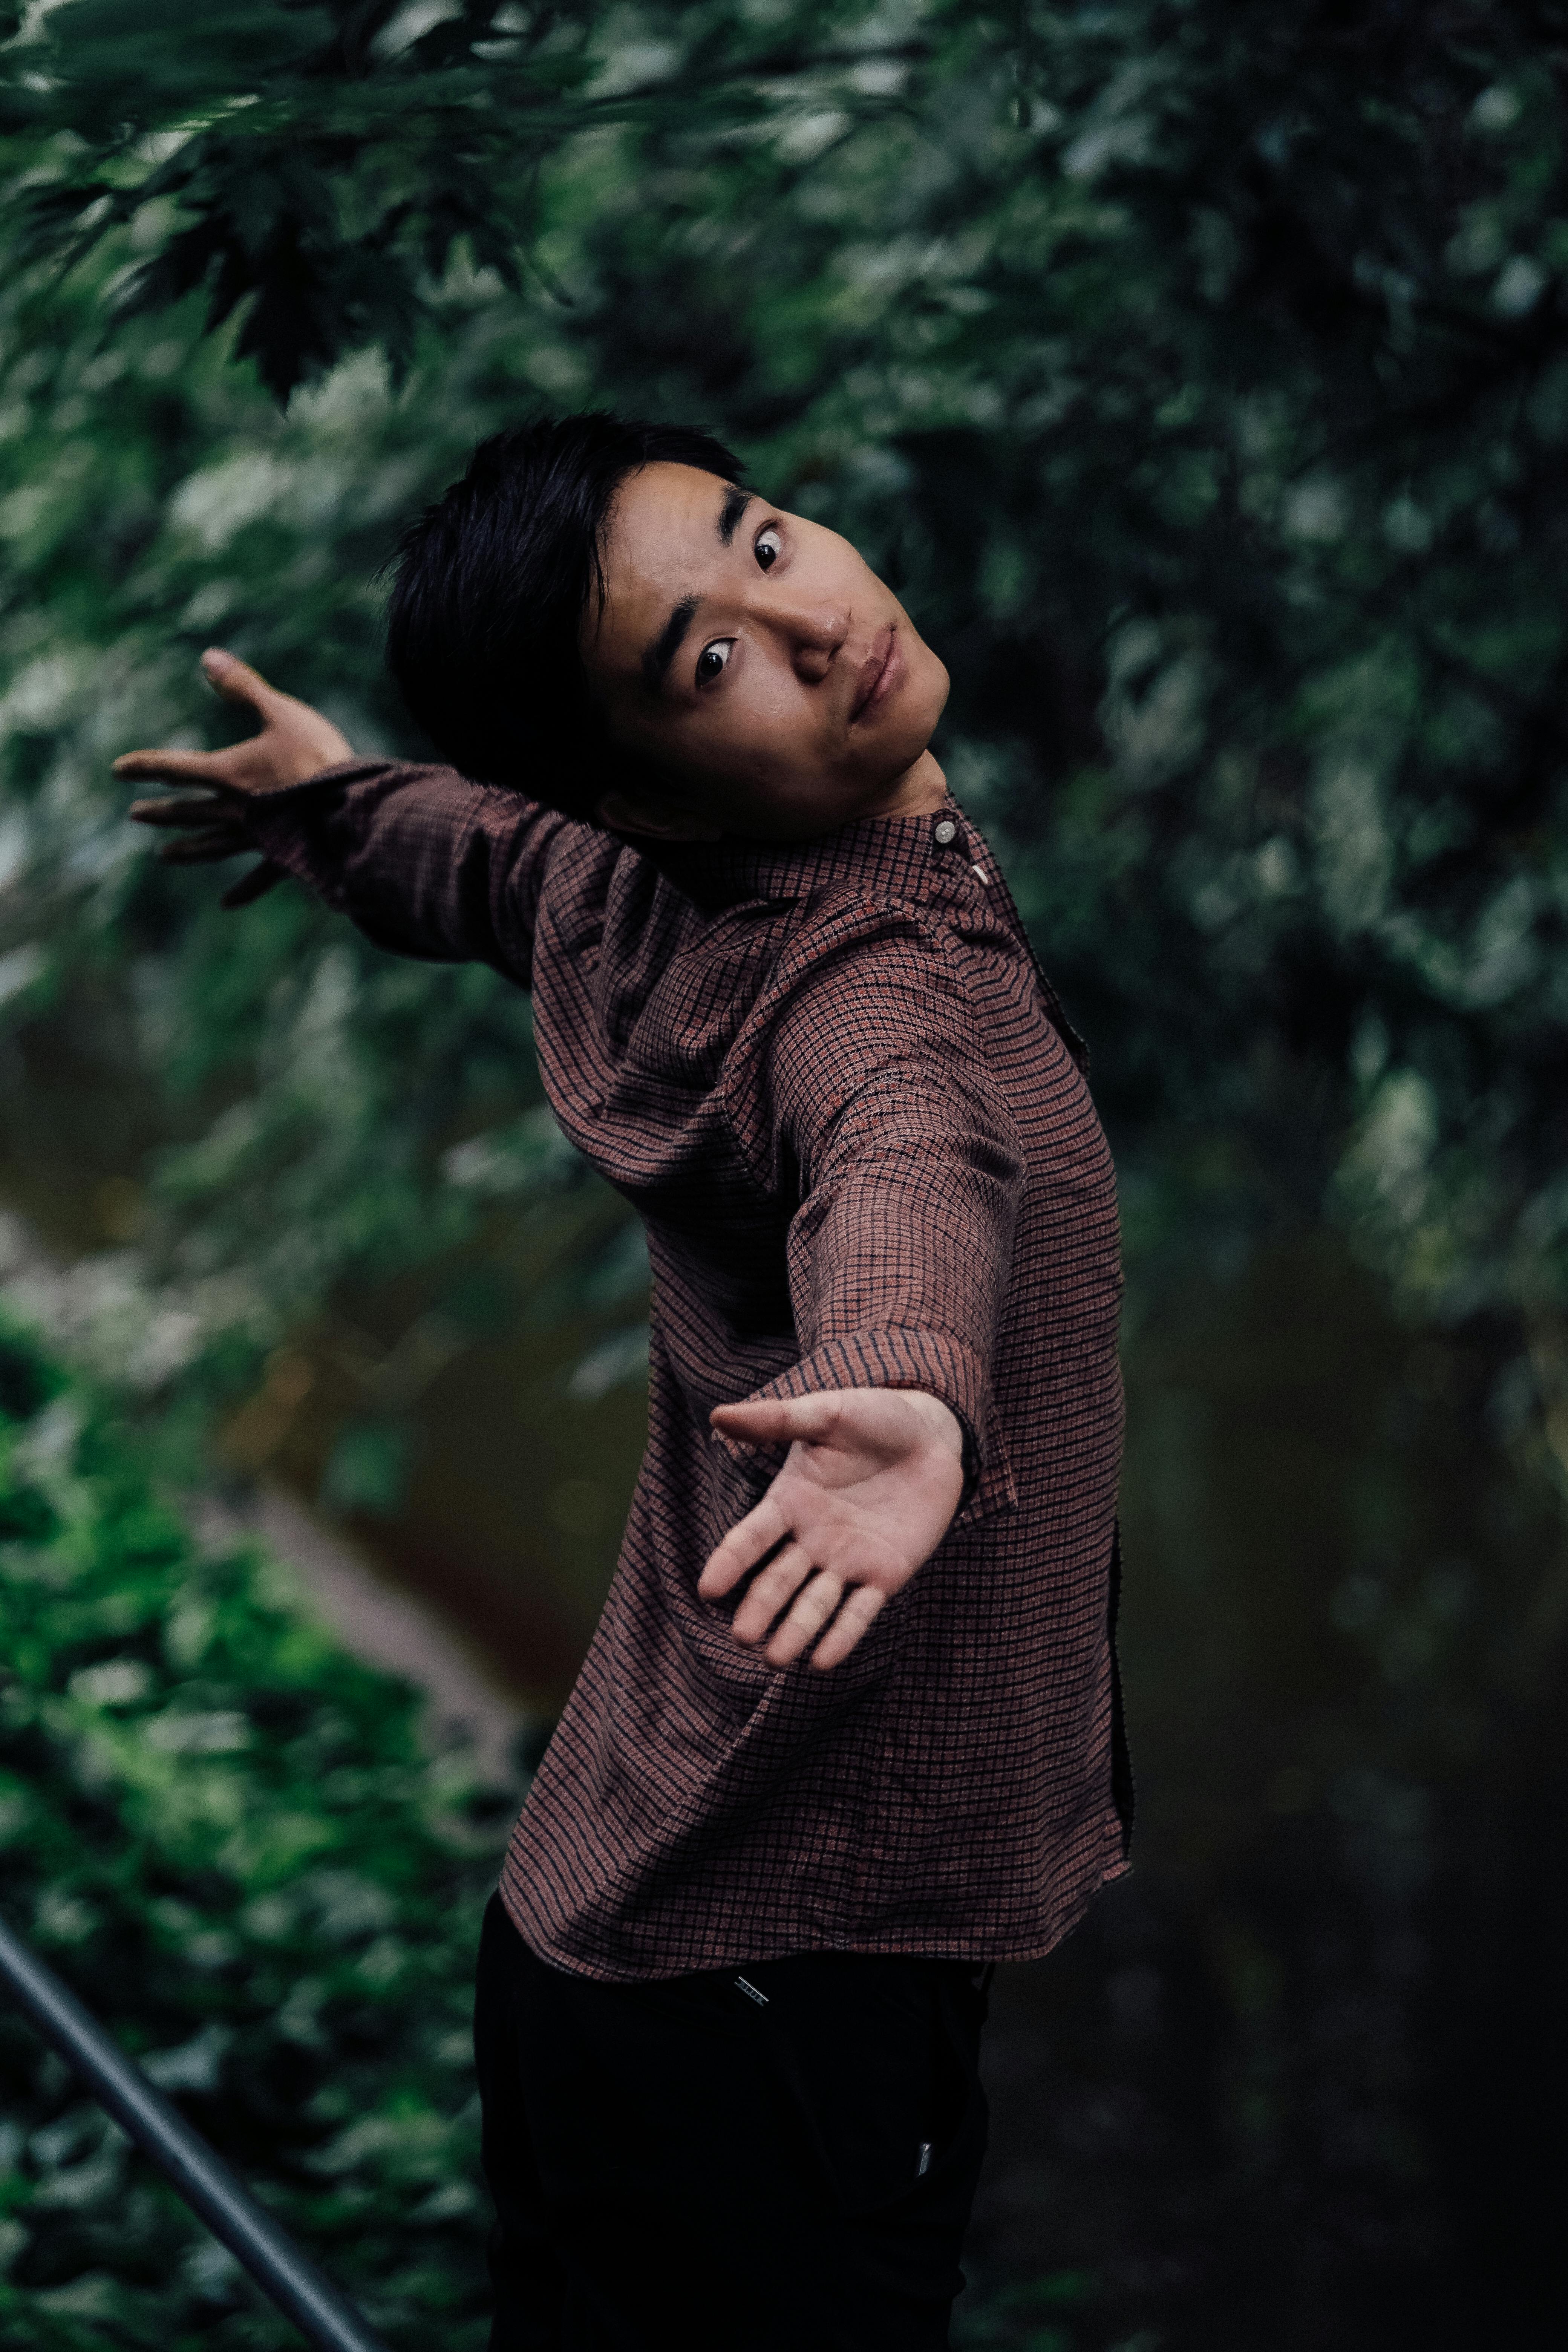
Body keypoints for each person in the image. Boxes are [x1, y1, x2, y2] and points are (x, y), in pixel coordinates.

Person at [116, 413, 1130, 2351]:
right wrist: (908, 1378)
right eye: (713, 659)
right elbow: (908, 1143)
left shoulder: (626, 885)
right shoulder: (870, 988)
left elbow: (488, 859)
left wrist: (334, 806)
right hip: (782, 1976)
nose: (812, 615)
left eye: (760, 543)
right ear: (645, 792)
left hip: (606, 1929)